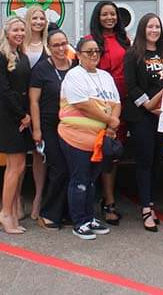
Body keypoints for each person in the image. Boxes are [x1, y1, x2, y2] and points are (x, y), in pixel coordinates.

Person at [58, 38, 120, 240]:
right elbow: (83, 104)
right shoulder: (74, 75)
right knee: (80, 180)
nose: (94, 55)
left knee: (92, 180)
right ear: (78, 54)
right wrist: (110, 119)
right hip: (75, 138)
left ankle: (90, 217)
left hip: (98, 140)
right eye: (88, 52)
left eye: (97, 51)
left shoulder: (105, 76)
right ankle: (79, 221)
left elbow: (116, 102)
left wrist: (112, 123)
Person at [124, 13, 163, 232]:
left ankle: (153, 202)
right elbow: (131, 85)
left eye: (157, 27)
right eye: (150, 27)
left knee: (158, 160)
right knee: (144, 162)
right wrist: (148, 106)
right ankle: (146, 207)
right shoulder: (133, 54)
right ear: (142, 29)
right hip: (143, 116)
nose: (154, 30)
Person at [88, 1, 130, 226]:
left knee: (114, 154)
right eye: (104, 14)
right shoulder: (91, 41)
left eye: (113, 14)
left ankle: (108, 197)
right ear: (98, 17)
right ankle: (105, 201)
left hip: (122, 103)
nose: (109, 18)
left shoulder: (125, 40)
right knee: (100, 152)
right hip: (100, 105)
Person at [0, 17, 34, 234]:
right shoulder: (0, 57)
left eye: (21, 29)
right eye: (15, 30)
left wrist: (27, 115)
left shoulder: (23, 55)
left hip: (22, 116)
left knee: (19, 168)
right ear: (7, 33)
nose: (19, 33)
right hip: (9, 117)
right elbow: (5, 90)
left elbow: (26, 87)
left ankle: (9, 213)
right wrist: (22, 116)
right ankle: (6, 213)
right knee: (14, 167)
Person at [30, 29, 73, 230]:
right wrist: (36, 130)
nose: (60, 48)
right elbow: (34, 101)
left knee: (71, 169)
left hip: (71, 126)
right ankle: (48, 213)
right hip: (49, 126)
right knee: (59, 168)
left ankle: (65, 212)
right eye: (55, 45)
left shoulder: (74, 67)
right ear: (48, 47)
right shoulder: (41, 69)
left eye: (63, 43)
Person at [23, 5, 49, 220]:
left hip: (41, 107)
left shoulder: (49, 46)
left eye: (42, 18)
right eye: (35, 18)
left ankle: (38, 198)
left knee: (39, 154)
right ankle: (16, 200)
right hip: (20, 108)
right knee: (18, 156)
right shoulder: (20, 45)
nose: (39, 21)